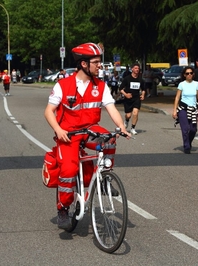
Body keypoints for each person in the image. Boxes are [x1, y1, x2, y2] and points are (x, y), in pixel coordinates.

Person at [44, 42, 129, 230]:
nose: (100, 65)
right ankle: (63, 209)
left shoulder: (101, 85)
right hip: (69, 134)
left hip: (90, 130)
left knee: (109, 138)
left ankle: (104, 177)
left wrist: (121, 126)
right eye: (96, 62)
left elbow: (111, 108)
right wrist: (58, 130)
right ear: (84, 64)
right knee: (69, 169)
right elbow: (49, 111)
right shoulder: (63, 85)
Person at [172, 66, 198, 154]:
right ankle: (186, 146)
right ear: (184, 75)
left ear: (193, 74)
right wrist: (174, 110)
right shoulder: (182, 84)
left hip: (193, 109)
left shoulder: (196, 84)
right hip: (183, 108)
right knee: (185, 129)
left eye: (191, 73)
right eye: (187, 73)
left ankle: (188, 142)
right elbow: (177, 97)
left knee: (193, 129)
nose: (189, 75)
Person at [119, 63, 146, 135]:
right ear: (132, 69)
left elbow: (143, 89)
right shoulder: (127, 78)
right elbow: (121, 89)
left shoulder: (140, 79)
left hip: (136, 98)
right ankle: (126, 120)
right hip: (128, 99)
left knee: (135, 113)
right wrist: (126, 94)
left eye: (138, 68)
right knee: (128, 115)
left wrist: (143, 95)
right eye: (136, 68)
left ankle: (133, 128)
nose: (137, 70)